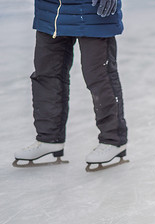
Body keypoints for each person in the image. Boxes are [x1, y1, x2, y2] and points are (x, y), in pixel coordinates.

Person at [14, 0, 128, 167]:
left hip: (92, 10)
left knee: (99, 75)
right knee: (46, 74)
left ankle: (113, 140)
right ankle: (49, 138)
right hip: (51, 10)